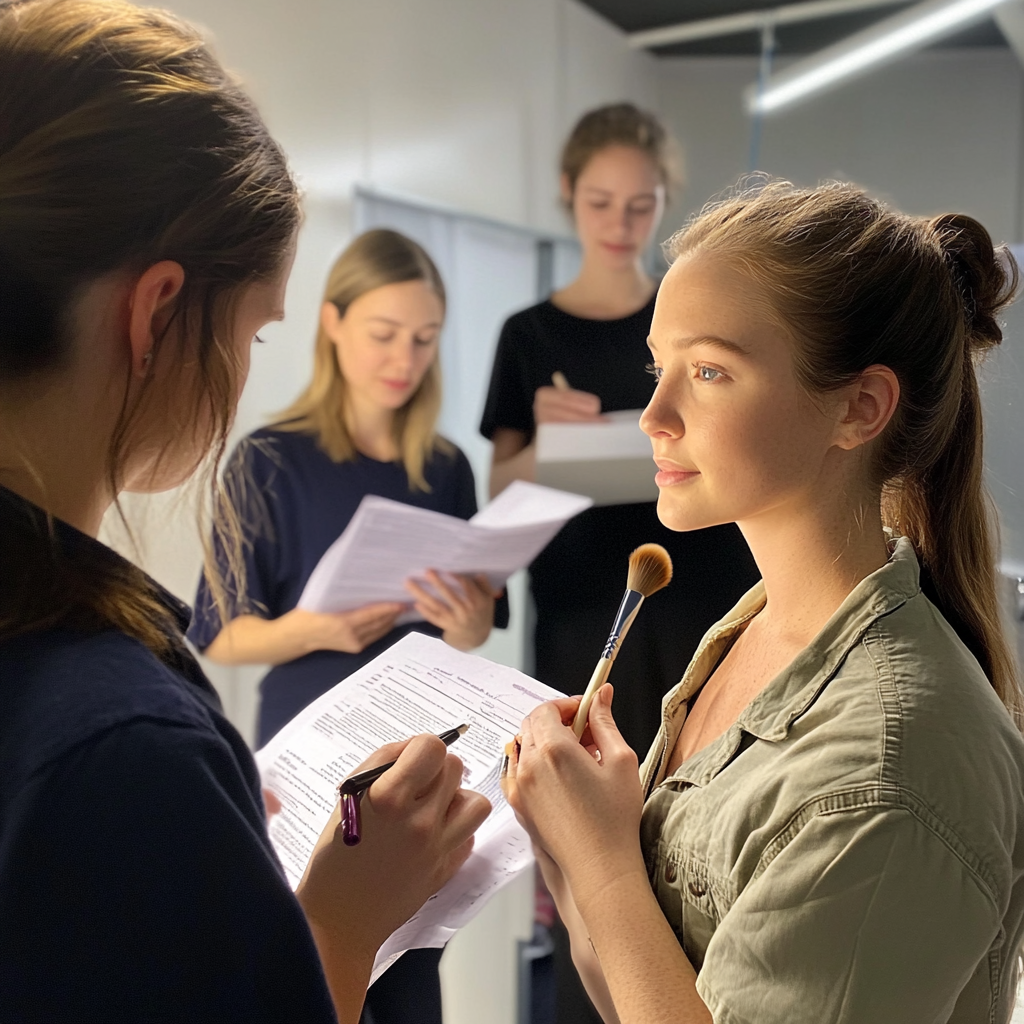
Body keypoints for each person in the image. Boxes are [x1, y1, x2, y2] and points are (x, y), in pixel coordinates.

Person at [0, 3, 490, 1022]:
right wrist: (341, 924)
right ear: (156, 313)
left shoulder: (442, 463)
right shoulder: (125, 744)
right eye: (251, 336)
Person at [506, 180, 1024, 1024]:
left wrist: (600, 862)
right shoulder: (751, 633)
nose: (653, 415)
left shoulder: (890, 767)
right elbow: (644, 991)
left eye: (708, 371)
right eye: (657, 368)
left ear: (858, 409)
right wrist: (569, 844)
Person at [480, 102, 759, 1022]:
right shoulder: (528, 336)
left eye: (640, 206)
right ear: (568, 196)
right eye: (601, 202)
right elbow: (502, 492)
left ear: (662, 204)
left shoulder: (685, 322)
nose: (620, 222)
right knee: (576, 836)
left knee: (692, 827)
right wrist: (545, 444)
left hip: (700, 595)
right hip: (581, 609)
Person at [188, 228, 503, 1024]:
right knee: (314, 973)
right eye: (384, 334)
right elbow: (219, 632)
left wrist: (468, 622)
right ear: (332, 323)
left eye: (424, 339)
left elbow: (471, 633)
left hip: (418, 749)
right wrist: (314, 628)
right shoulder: (266, 460)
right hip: (312, 746)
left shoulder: (447, 465)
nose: (405, 357)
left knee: (410, 979)